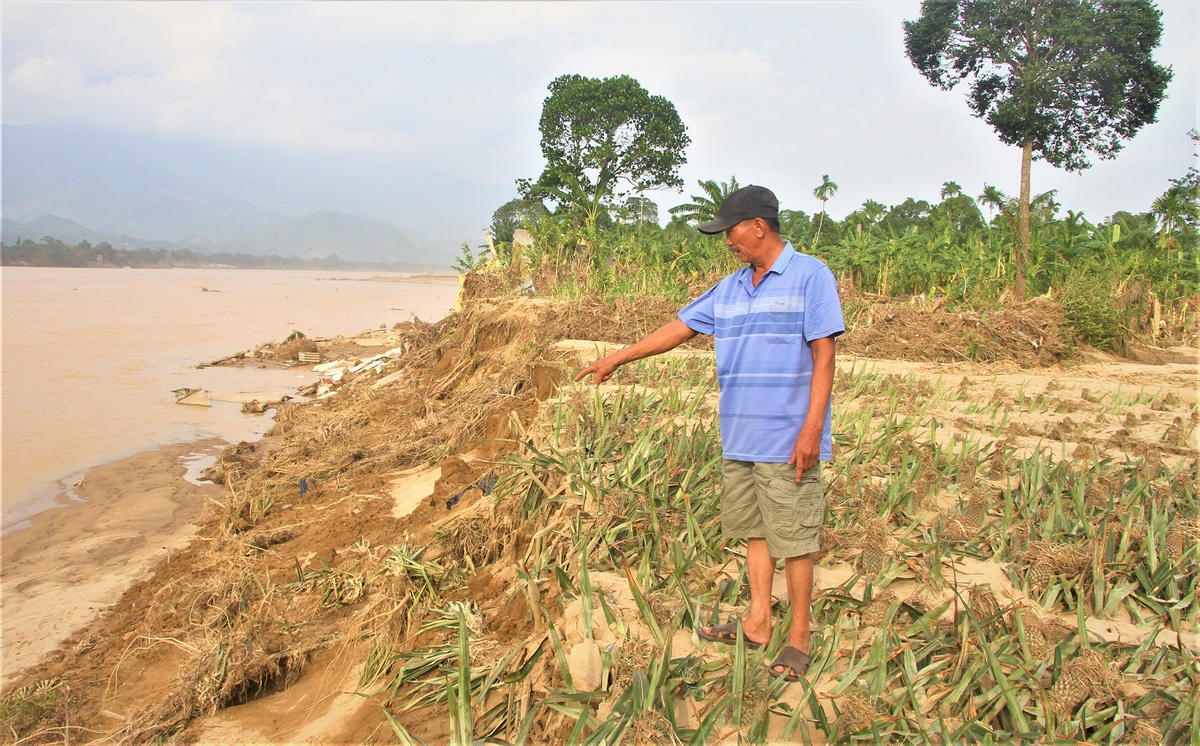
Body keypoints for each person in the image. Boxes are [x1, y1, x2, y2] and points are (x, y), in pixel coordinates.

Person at [575, 185, 844, 680]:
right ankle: (758, 622)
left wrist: (812, 429)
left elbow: (824, 355)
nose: (728, 242)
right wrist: (616, 358)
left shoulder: (810, 275)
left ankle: (799, 638)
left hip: (788, 438)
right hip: (740, 436)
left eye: (731, 231)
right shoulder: (730, 287)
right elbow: (678, 330)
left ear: (758, 226)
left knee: (795, 540)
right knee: (755, 532)